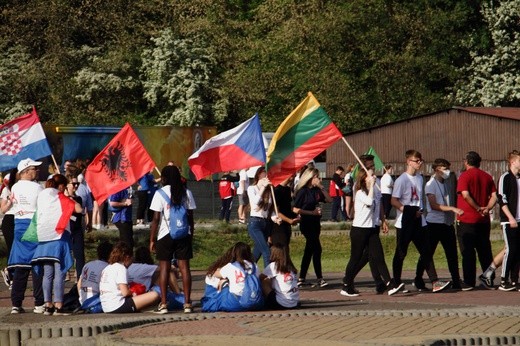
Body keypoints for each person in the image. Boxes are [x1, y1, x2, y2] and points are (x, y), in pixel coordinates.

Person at [391, 150, 450, 293]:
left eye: (420, 161)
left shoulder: (420, 178)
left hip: (420, 221)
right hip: (405, 222)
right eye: (417, 161)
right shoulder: (401, 180)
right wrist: (408, 211)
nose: (420, 163)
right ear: (408, 162)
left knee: (426, 251)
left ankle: (434, 281)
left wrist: (423, 211)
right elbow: (393, 200)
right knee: (401, 253)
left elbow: (420, 198)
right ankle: (396, 282)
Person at [341, 169, 400, 296]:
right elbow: (368, 202)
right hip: (359, 230)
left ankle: (389, 284)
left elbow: (378, 206)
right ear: (364, 179)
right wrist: (372, 187)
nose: (374, 177)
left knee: (379, 255)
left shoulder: (374, 191)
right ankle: (346, 284)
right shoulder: (360, 192)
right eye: (371, 175)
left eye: (374, 174)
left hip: (371, 229)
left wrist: (382, 220)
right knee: (355, 258)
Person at [31, 174, 82, 316]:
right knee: (60, 273)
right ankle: (59, 305)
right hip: (59, 238)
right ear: (60, 186)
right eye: (64, 186)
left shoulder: (42, 196)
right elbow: (79, 210)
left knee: (47, 274)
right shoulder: (60, 197)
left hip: (44, 240)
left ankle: (48, 305)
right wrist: (70, 198)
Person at [149, 165, 196, 314]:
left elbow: (156, 219)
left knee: (165, 269)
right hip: (183, 234)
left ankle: (163, 304)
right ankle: (187, 303)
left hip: (165, 234)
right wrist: (191, 234)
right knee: (185, 269)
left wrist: (152, 239)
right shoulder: (186, 193)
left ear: (164, 178)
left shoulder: (159, 193)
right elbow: (191, 217)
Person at [416, 158, 467, 290]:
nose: (447, 171)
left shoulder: (446, 183)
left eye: (447, 168)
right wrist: (452, 208)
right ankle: (418, 278)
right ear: (437, 169)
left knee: (452, 254)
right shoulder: (430, 184)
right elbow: (433, 205)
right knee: (427, 253)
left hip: (447, 223)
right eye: (444, 169)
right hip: (433, 223)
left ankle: (456, 280)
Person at [8, 158, 44, 314]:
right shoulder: (37, 188)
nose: (37, 171)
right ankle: (39, 303)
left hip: (19, 227)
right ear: (26, 171)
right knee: (37, 265)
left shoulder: (14, 187)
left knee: (21, 266)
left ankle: (16, 303)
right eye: (34, 169)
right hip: (34, 226)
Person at [456, 151, 497, 290]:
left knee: (468, 252)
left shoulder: (464, 176)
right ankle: (489, 278)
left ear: (466, 162)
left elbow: (465, 195)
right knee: (485, 251)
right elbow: (494, 195)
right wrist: (487, 208)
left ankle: (468, 281)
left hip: (466, 218)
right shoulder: (487, 176)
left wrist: (477, 207)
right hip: (483, 220)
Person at [293, 168, 332, 288]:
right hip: (307, 223)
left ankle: (302, 278)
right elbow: (295, 209)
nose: (319, 179)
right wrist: (311, 212)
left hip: (316, 223)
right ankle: (320, 278)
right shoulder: (302, 191)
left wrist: (322, 187)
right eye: (316, 177)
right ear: (310, 177)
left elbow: (329, 200)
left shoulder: (316, 191)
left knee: (309, 250)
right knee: (317, 248)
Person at [201, 242, 263, 312]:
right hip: (256, 302)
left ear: (235, 253)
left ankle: (207, 302)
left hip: (236, 302)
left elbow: (215, 274)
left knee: (217, 298)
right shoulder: (254, 265)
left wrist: (223, 276)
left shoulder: (231, 266)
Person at [99, 242, 160, 313]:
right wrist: (134, 292)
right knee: (154, 295)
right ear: (127, 257)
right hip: (117, 305)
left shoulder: (107, 268)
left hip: (106, 307)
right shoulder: (121, 268)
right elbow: (125, 292)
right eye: (132, 258)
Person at [496, 150, 520, 291]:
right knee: (510, 249)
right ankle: (504, 279)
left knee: (518, 250)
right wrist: (510, 218)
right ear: (513, 162)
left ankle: (514, 280)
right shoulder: (505, 177)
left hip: (519, 219)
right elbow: (502, 199)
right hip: (509, 220)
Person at [247, 167, 274, 268]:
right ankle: (268, 278)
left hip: (265, 223)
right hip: (255, 223)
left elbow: (270, 209)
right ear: (259, 175)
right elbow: (255, 203)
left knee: (256, 254)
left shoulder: (268, 191)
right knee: (267, 252)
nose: (266, 177)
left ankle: (247, 271)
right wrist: (262, 188)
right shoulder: (251, 189)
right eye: (264, 174)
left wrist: (275, 217)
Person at [261, 243, 299, 310]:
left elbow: (260, 277)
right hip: (294, 302)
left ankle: (264, 301)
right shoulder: (290, 266)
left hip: (281, 303)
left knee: (265, 282)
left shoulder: (274, 265)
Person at [273, 173, 299, 246]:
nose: (295, 175)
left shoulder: (287, 189)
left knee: (286, 247)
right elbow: (276, 212)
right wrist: (290, 220)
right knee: (281, 249)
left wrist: (295, 216)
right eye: (293, 173)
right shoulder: (277, 190)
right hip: (279, 225)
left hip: (287, 224)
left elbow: (288, 207)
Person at [67, 177, 85, 281]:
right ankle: (66, 273)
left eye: (77, 184)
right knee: (66, 253)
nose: (76, 186)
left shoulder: (78, 199)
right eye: (73, 184)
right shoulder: (63, 198)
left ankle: (80, 277)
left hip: (77, 228)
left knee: (79, 254)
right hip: (67, 228)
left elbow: (80, 211)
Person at [1, 169, 17, 289]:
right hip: (9, 220)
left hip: (21, 219)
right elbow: (3, 209)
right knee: (12, 248)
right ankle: (11, 274)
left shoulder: (25, 189)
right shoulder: (6, 190)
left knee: (19, 249)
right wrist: (10, 201)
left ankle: (12, 272)